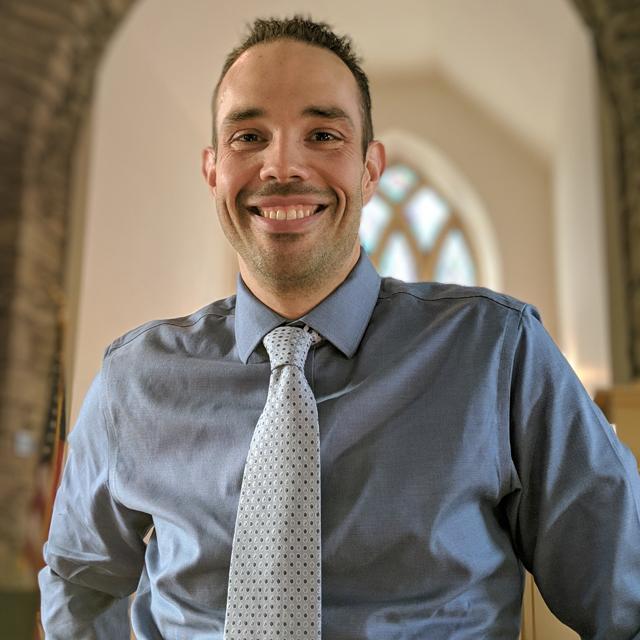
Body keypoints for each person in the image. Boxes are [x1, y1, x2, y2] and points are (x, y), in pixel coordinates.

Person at [39, 15, 640, 640]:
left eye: (322, 133)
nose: (281, 166)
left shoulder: (498, 353)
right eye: (248, 136)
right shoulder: (134, 380)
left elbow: (625, 597)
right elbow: (82, 581)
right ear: (212, 170)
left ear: (370, 169)